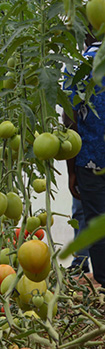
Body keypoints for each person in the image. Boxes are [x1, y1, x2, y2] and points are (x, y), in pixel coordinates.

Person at [65, 35, 105, 286]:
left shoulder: (80, 64)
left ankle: (103, 284)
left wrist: (71, 171)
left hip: (90, 162)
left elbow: (69, 119)